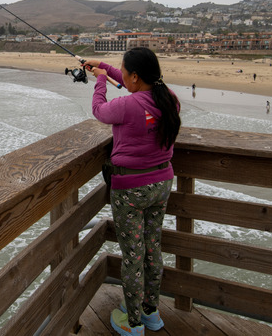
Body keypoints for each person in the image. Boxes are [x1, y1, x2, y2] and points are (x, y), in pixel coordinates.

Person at [82, 47, 181, 336]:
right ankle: (150, 312)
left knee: (133, 257)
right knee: (153, 248)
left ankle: (133, 323)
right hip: (161, 183)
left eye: (124, 70)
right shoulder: (169, 99)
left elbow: (100, 110)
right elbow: (133, 86)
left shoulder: (127, 106)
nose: (121, 74)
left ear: (135, 77)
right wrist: (102, 66)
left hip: (131, 190)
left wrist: (100, 81)